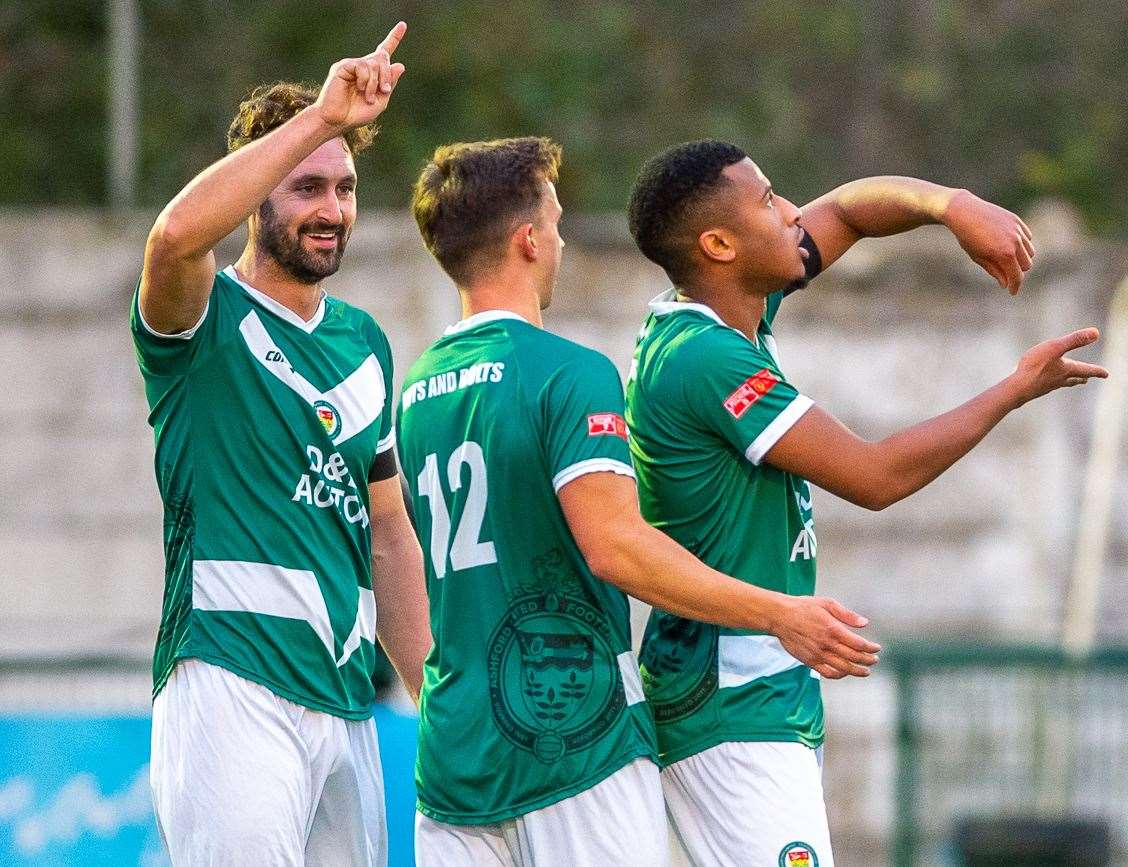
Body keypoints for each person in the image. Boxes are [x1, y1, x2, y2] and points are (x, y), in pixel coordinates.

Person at [398, 136, 882, 867]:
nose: (561, 240)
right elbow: (616, 545)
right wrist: (780, 610)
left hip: (455, 753)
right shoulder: (570, 374)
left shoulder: (415, 392)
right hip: (578, 739)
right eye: (556, 223)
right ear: (529, 240)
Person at [624, 139, 1109, 867]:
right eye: (768, 203)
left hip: (750, 693)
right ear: (719, 245)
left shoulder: (719, 309)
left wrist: (954, 205)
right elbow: (876, 476)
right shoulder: (707, 358)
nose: (792, 215)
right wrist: (1017, 388)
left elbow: (850, 208)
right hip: (731, 699)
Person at [131, 21, 429, 866]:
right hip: (228, 680)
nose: (331, 210)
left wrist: (432, 697)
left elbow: (388, 530)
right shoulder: (201, 314)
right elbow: (174, 237)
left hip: (342, 702)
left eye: (343, 188)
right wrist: (322, 118)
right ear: (257, 193)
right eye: (305, 186)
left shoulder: (364, 342)